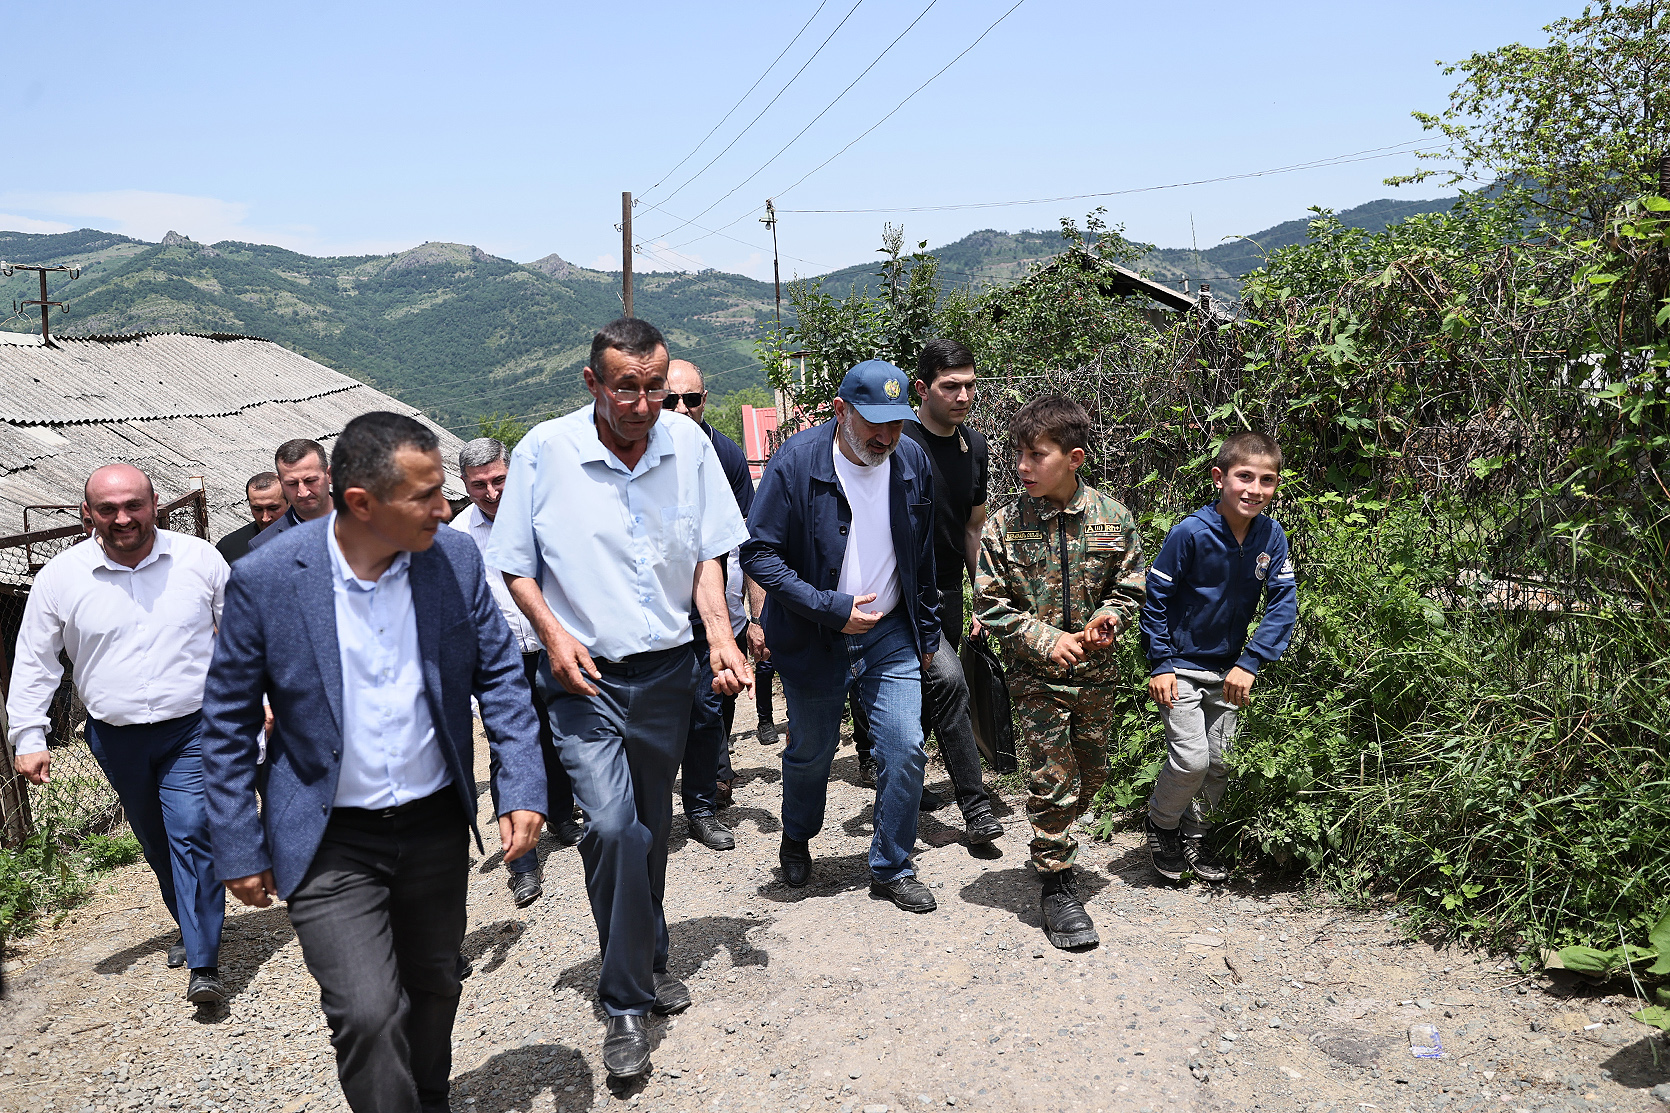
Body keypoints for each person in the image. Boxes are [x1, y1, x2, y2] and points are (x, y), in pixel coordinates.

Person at [199, 412, 548, 1113]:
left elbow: (500, 676)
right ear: (360, 502)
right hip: (328, 836)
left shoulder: (452, 559)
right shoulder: (268, 578)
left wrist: (520, 782)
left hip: (433, 825)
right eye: (424, 496)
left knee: (435, 983)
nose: (444, 508)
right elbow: (228, 721)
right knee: (365, 1011)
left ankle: (429, 1096)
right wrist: (237, 842)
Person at [486, 318, 750, 1081]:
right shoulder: (545, 451)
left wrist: (719, 633)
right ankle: (626, 1001)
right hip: (584, 677)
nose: (642, 403)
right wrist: (552, 633)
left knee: (650, 830)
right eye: (626, 387)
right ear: (593, 382)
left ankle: (647, 951)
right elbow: (515, 564)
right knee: (609, 826)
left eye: (654, 387)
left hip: (666, 674)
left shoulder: (689, 446)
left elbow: (706, 552)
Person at [7, 464, 231, 1002]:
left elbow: (243, 635)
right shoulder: (60, 577)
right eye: (108, 509)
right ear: (88, 514)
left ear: (154, 505)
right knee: (155, 839)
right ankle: (190, 922)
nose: (123, 518)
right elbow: (35, 659)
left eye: (134, 505)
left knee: (192, 829)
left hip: (193, 727)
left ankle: (204, 962)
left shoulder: (199, 560)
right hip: (116, 736)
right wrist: (30, 736)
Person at [741, 360, 941, 913]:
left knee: (904, 746)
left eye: (897, 423)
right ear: (841, 411)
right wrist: (830, 608)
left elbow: (922, 555)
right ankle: (797, 836)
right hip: (814, 634)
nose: (887, 436)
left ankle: (892, 865)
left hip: (890, 631)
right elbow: (758, 553)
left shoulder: (911, 461)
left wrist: (927, 634)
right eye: (875, 423)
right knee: (812, 751)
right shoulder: (796, 462)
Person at [974, 396, 1145, 950]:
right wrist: (1048, 641)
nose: (1022, 466)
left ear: (1074, 459)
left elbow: (1131, 586)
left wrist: (1110, 617)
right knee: (1054, 775)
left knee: (1091, 773)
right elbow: (989, 605)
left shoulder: (1113, 518)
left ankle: (1058, 836)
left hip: (1096, 675)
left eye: (1036, 455)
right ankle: (1057, 883)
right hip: (1035, 678)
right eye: (1018, 454)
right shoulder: (1005, 526)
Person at [1141, 431, 1297, 883]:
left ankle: (1196, 835)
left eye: (1267, 480)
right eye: (1244, 476)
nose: (1255, 489)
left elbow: (1283, 603)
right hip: (1180, 667)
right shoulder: (1190, 533)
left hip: (1230, 669)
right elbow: (1155, 600)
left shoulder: (1271, 535)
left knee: (1221, 760)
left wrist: (1250, 661)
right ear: (1219, 477)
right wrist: (1160, 663)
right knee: (1192, 760)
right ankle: (1162, 824)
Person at [450, 437, 583, 909]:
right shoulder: (458, 536)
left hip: (551, 646)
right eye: (478, 485)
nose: (490, 493)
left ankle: (562, 816)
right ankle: (521, 862)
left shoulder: (543, 515)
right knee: (507, 750)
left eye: (498, 480)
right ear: (463, 485)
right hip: (499, 661)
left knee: (558, 733)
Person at [897, 338, 1002, 844]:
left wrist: (983, 596)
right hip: (899, 596)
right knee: (950, 681)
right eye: (950, 386)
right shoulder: (897, 440)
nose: (963, 396)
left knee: (929, 694)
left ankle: (906, 779)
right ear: (922, 388)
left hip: (948, 592)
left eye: (969, 386)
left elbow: (972, 527)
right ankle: (976, 808)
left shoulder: (974, 447)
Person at [661, 358, 762, 850]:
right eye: (669, 400)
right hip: (652, 616)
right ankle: (648, 813)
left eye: (690, 399)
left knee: (706, 711)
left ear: (705, 400)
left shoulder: (726, 456)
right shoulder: (632, 453)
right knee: (656, 717)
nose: (681, 409)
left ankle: (701, 808)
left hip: (707, 608)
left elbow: (747, 542)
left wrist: (752, 619)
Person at [247, 438, 332, 551]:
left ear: (329, 475)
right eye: (292, 484)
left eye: (310, 481)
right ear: (280, 482)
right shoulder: (265, 546)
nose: (303, 493)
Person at [216, 472, 287, 563]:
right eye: (257, 509)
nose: (265, 518)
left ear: (290, 502)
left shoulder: (305, 538)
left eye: (273, 508)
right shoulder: (229, 548)